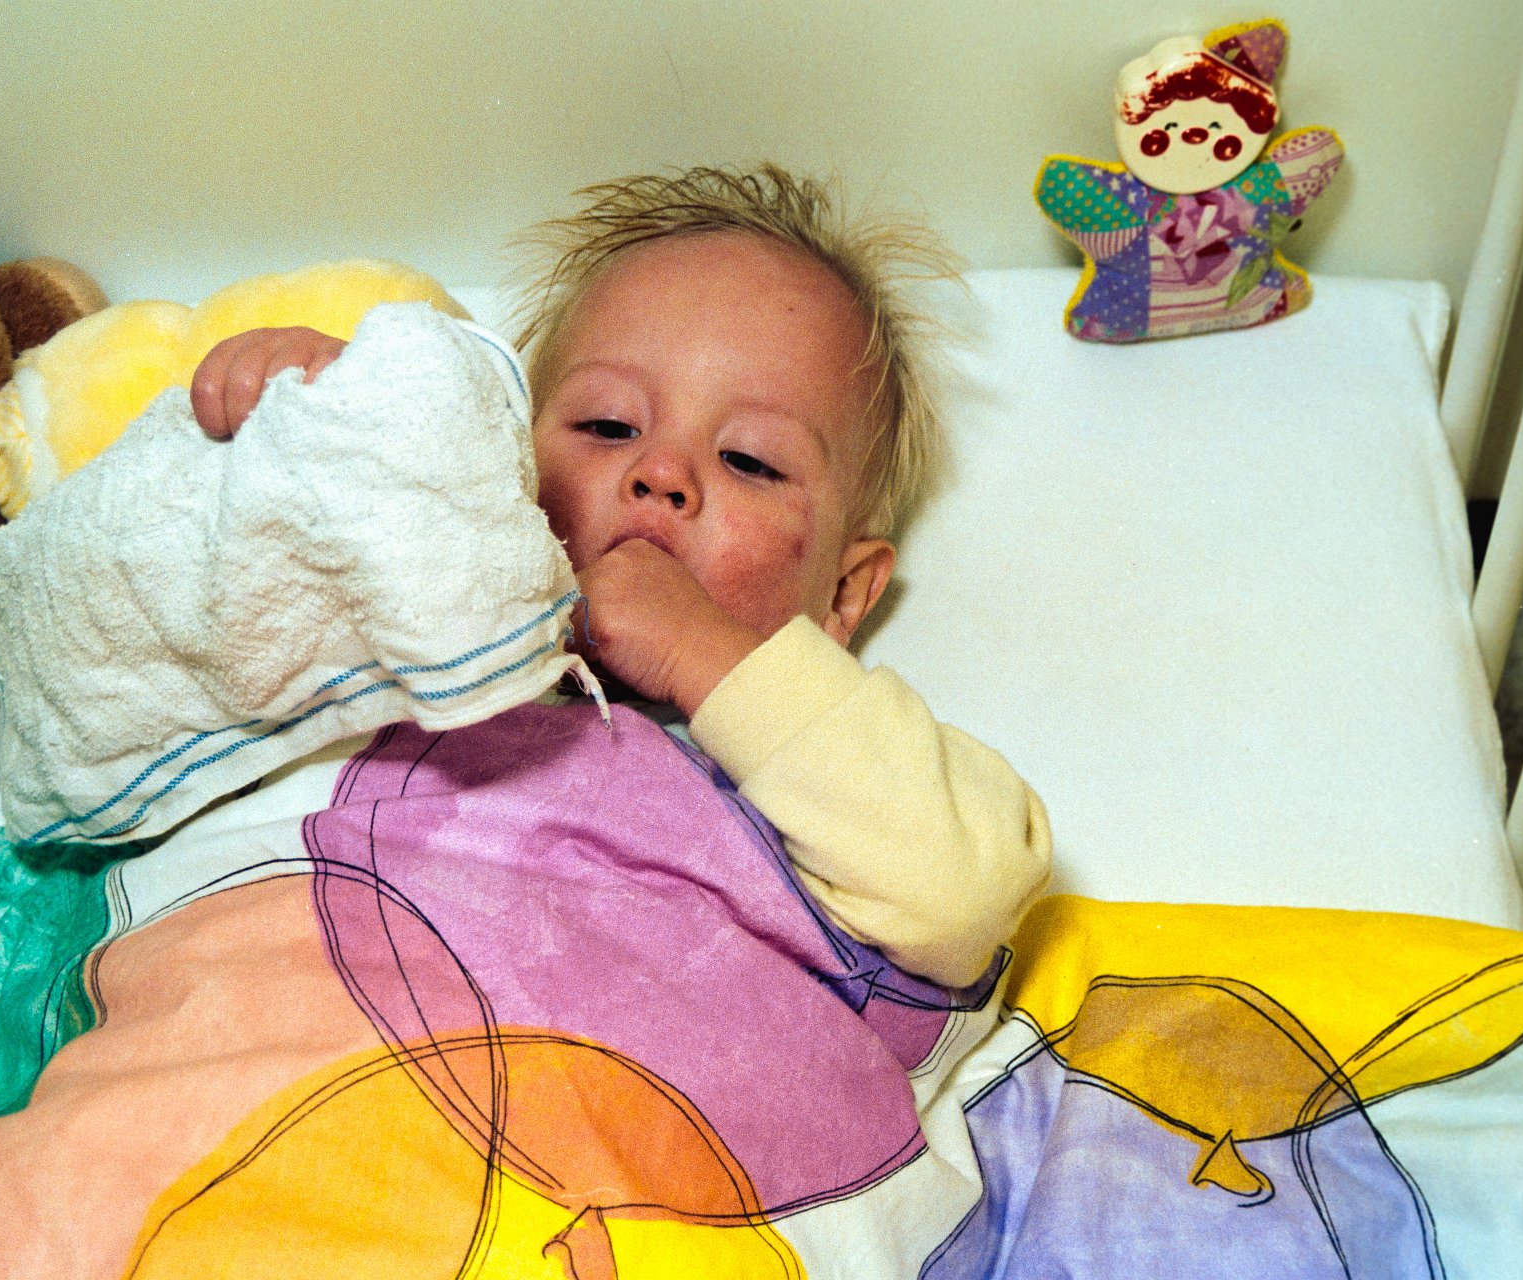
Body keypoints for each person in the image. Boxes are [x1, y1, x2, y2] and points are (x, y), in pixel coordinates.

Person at [188, 163, 1050, 989]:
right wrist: (327, 436)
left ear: (844, 594)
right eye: (607, 426)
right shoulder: (397, 633)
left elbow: (960, 897)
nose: (661, 473)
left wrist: (702, 651)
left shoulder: (839, 777)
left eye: (750, 461)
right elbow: (201, 643)